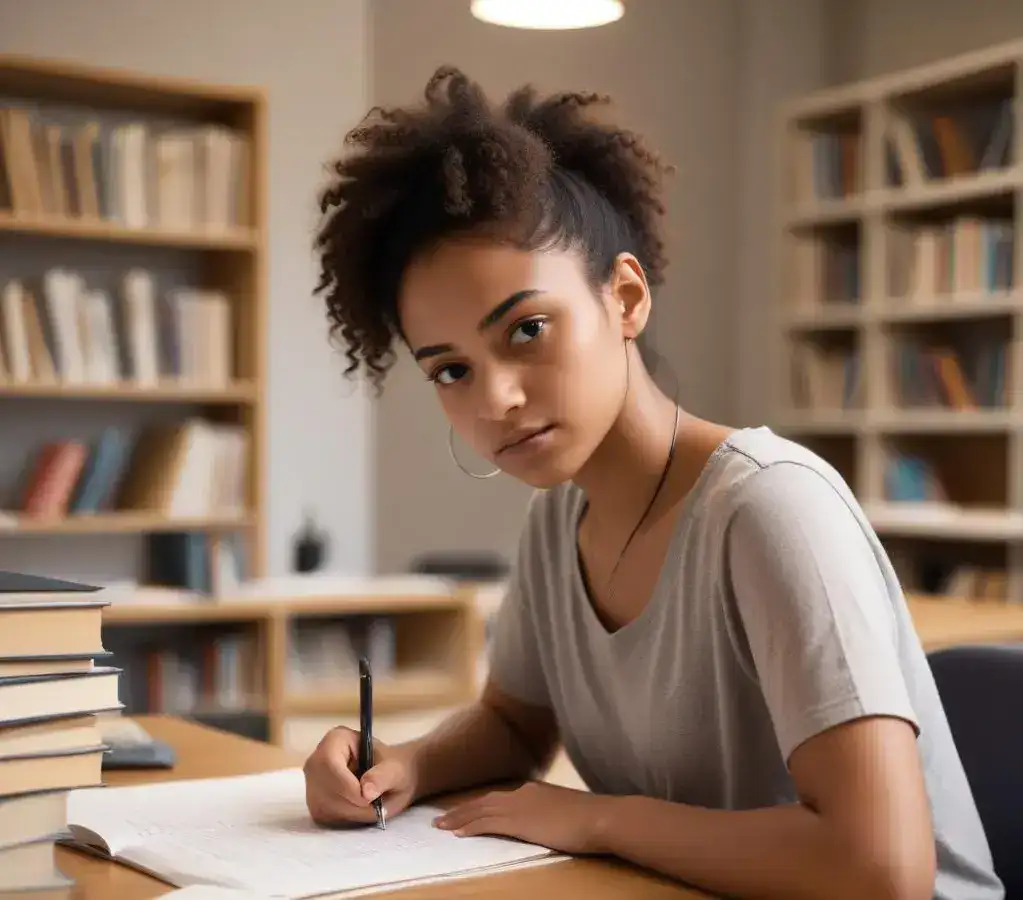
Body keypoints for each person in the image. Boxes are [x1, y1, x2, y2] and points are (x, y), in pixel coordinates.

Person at [302, 66, 1003, 900]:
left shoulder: (771, 507)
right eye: (450, 370)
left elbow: (880, 868)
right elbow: (514, 724)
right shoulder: (556, 517)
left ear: (625, 298)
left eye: (527, 329)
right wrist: (403, 765)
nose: (495, 400)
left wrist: (599, 818)